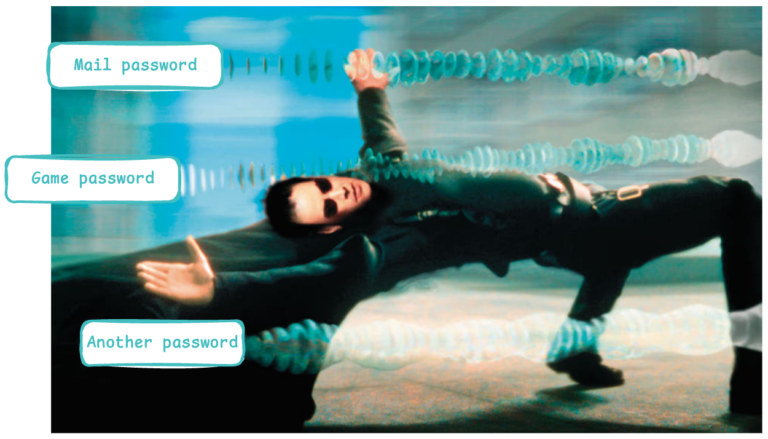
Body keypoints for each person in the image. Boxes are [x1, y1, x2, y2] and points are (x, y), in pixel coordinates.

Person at [139, 48, 762, 416]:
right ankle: (754, 377)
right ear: (333, 225)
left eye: (324, 184)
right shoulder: (392, 242)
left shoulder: (382, 173)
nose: (337, 192)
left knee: (613, 259)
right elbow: (330, 277)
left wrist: (370, 89)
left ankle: (574, 347)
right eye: (326, 206)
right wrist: (221, 291)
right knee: (733, 199)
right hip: (589, 221)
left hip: (584, 213)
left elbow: (382, 133)